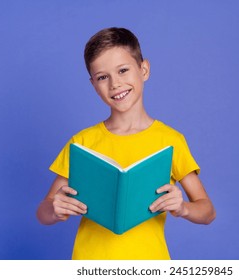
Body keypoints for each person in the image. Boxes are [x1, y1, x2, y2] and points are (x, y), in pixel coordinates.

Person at [36, 27, 215, 260]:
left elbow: (208, 211)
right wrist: (54, 209)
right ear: (93, 84)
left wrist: (183, 208)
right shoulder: (81, 143)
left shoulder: (170, 141)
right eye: (102, 77)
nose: (115, 84)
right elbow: (43, 213)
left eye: (122, 70)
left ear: (144, 69)